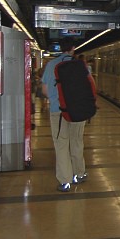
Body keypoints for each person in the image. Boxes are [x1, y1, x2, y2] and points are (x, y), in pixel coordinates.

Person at [41, 38, 90, 192]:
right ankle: (79, 174)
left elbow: (44, 91)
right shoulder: (82, 66)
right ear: (73, 48)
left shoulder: (51, 65)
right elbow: (89, 88)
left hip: (59, 112)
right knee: (76, 142)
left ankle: (65, 181)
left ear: (60, 49)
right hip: (79, 111)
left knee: (61, 145)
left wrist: (57, 99)